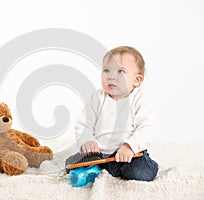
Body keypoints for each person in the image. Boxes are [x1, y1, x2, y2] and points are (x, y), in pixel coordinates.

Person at [65, 46, 158, 181]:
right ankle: (95, 170)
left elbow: (146, 128)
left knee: (141, 172)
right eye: (106, 71)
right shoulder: (97, 98)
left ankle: (131, 166)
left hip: (129, 155)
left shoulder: (139, 100)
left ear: (136, 80)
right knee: (70, 164)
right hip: (99, 154)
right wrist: (87, 140)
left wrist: (129, 147)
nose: (111, 77)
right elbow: (84, 123)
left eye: (120, 71)